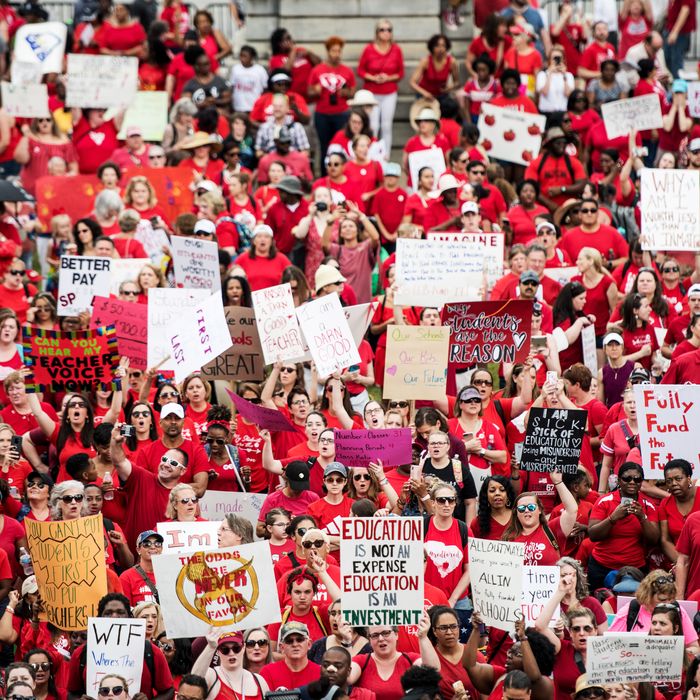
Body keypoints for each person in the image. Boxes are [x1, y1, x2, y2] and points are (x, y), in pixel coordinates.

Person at [587, 461, 660, 591]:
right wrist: (612, 518)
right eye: (627, 478)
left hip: (635, 568)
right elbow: (593, 535)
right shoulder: (605, 501)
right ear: (619, 481)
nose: (632, 482)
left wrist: (642, 518)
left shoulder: (648, 506)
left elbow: (654, 540)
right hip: (602, 566)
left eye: (637, 479)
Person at [357, 20, 404, 154]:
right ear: (377, 33)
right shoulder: (369, 49)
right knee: (373, 125)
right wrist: (373, 78)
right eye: (382, 30)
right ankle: (371, 153)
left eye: (389, 30)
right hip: (372, 92)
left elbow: (400, 73)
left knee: (386, 125)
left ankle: (386, 155)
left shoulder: (396, 49)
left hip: (389, 92)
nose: (386, 33)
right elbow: (360, 70)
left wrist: (388, 78)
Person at [192, 628, 269, 700]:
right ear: (218, 651)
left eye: (236, 648)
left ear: (243, 647)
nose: (231, 653)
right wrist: (211, 647)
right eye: (225, 650)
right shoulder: (212, 676)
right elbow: (192, 682)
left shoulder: (259, 681)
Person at [260, 621, 321, 690]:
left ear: (309, 644)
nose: (295, 644)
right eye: (289, 641)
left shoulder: (320, 673)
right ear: (281, 647)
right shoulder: (268, 672)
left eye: (299, 640)